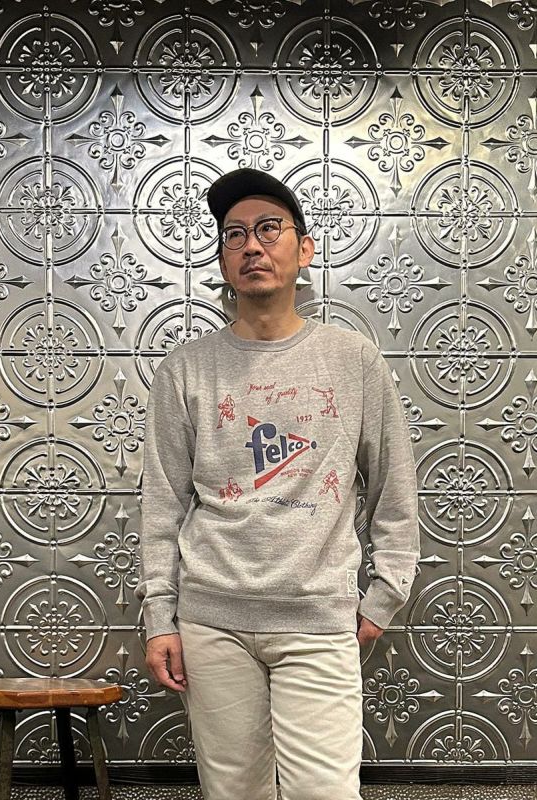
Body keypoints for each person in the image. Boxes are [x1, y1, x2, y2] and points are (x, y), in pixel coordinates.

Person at [135, 168, 420, 800]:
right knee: (234, 792)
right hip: (212, 620)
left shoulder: (353, 360)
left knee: (325, 792)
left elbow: (395, 490)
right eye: (234, 235)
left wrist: (384, 596)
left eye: (269, 229)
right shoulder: (187, 369)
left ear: (304, 248)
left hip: (318, 618)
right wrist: (160, 617)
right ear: (222, 260)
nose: (252, 246)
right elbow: (162, 505)